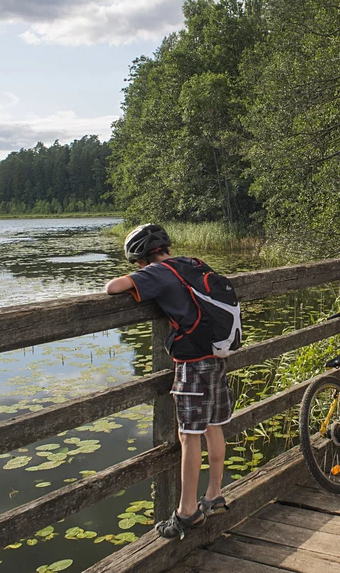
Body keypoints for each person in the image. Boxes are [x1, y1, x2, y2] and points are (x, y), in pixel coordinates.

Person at [105, 223, 232, 539]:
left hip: (192, 363)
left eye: (136, 263)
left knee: (189, 436)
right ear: (166, 247)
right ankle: (214, 494)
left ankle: (187, 513)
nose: (137, 268)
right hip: (216, 355)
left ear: (141, 258)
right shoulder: (191, 264)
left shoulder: (155, 272)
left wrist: (135, 276)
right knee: (214, 426)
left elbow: (112, 288)